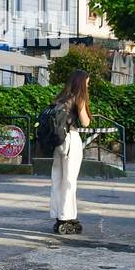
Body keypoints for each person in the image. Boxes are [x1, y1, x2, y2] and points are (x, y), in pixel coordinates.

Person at [50, 69, 91, 234]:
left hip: (57, 142)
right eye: (87, 82)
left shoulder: (61, 97)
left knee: (58, 179)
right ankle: (67, 216)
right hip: (71, 139)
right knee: (69, 180)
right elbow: (85, 122)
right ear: (81, 82)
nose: (88, 85)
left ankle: (58, 214)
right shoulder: (79, 97)